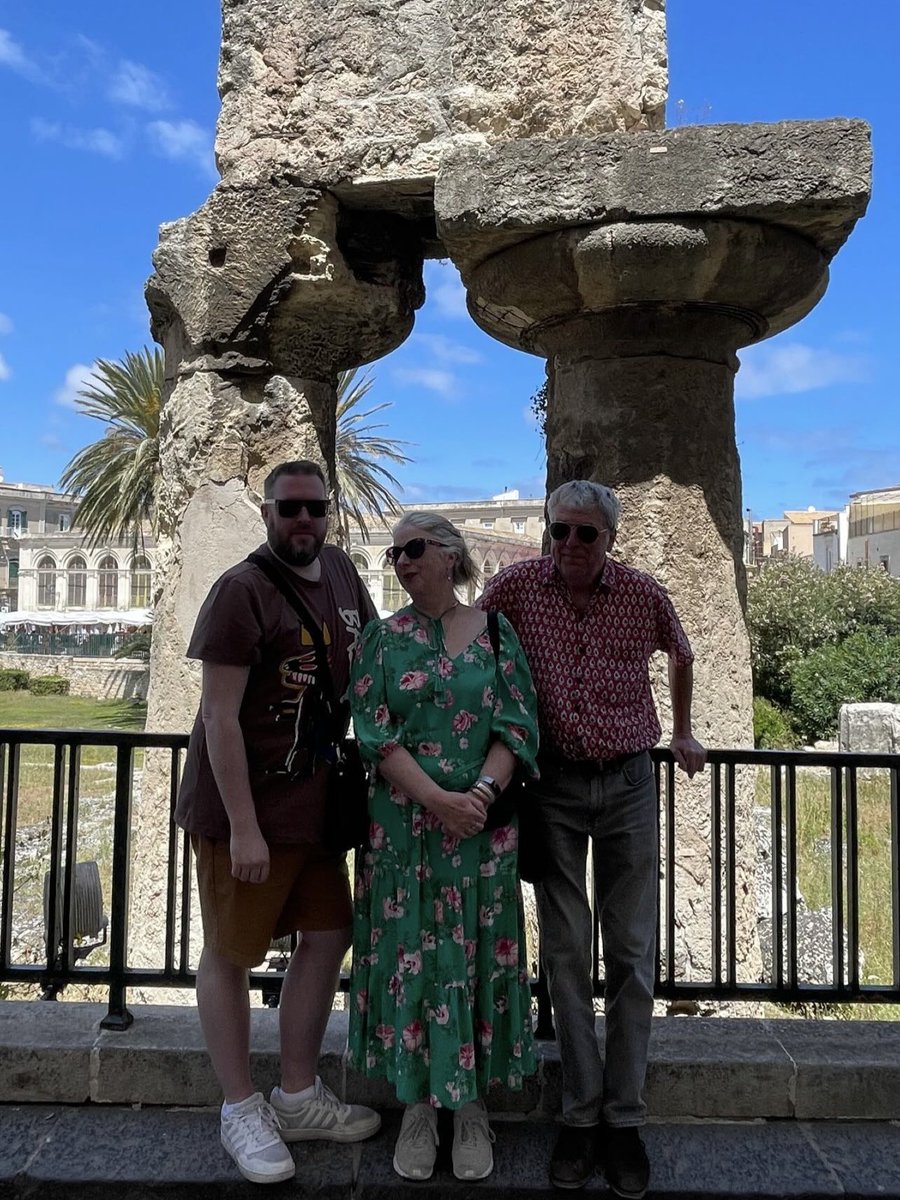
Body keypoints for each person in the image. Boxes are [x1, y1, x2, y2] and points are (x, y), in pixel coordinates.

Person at [479, 480, 706, 1199]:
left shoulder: (641, 593)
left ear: (610, 538)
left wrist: (683, 731)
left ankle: (624, 1118)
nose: (570, 544)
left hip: (630, 783)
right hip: (553, 786)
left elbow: (682, 652)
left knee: (634, 952)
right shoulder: (516, 586)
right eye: (560, 531)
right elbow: (465, 640)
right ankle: (580, 1116)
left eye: (585, 533)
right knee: (567, 952)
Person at [174, 459, 382, 1185]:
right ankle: (239, 1106)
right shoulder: (241, 590)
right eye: (290, 508)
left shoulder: (345, 578)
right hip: (247, 811)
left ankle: (295, 1094)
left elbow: (378, 666)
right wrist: (243, 828)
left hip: (316, 810)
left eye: (315, 509)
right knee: (231, 953)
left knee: (328, 936)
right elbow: (218, 718)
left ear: (329, 513)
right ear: (266, 513)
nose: (304, 521)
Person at [347, 511, 540, 1183]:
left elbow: (517, 723)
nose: (401, 561)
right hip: (404, 837)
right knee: (412, 961)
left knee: (476, 958)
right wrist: (437, 801)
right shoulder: (380, 638)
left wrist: (480, 796)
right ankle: (420, 1106)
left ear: (450, 555)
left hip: (481, 839)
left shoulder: (495, 632)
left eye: (414, 549)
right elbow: (374, 734)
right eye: (396, 553)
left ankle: (474, 1107)